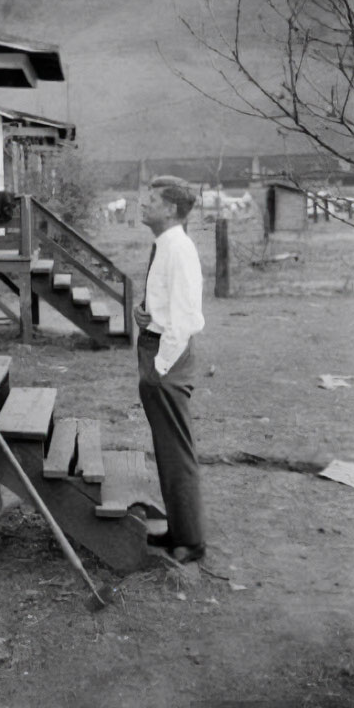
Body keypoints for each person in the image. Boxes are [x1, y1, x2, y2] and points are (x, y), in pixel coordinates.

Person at [134, 176, 206, 565]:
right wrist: (142, 314)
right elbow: (164, 308)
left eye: (153, 199)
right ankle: (179, 529)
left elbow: (186, 317)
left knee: (177, 451)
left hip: (168, 358)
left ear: (172, 210)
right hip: (156, 349)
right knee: (166, 449)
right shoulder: (163, 246)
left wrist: (160, 367)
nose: (144, 204)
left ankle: (191, 541)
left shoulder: (179, 249)